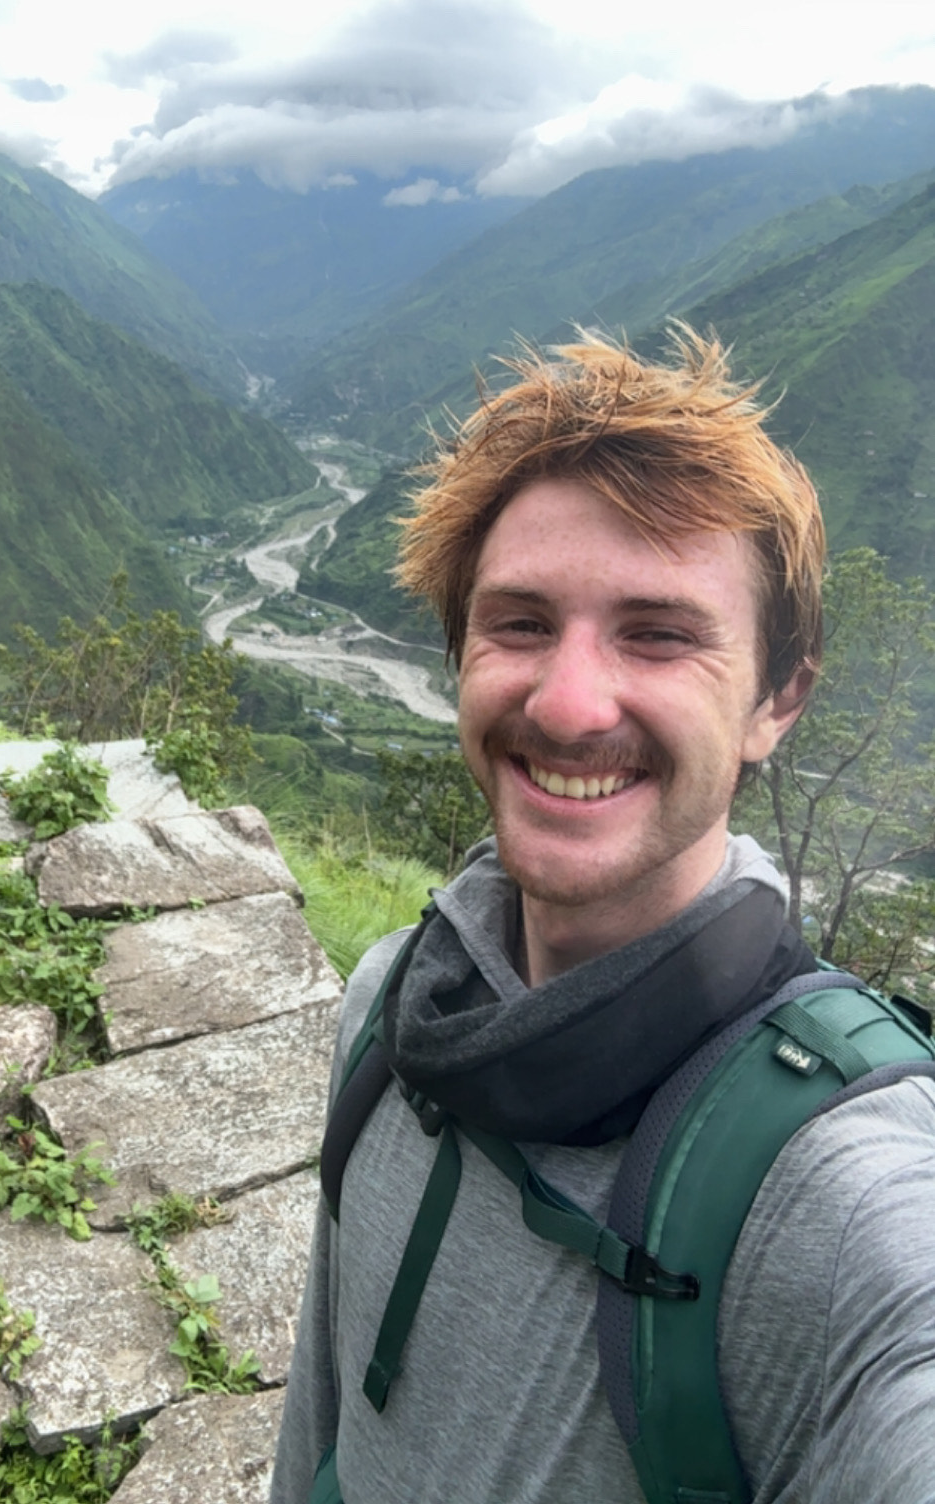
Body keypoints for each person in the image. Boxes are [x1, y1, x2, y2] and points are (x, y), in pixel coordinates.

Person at [270, 329, 935, 1503]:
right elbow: (319, 1415)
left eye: (660, 635)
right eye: (521, 624)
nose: (570, 705)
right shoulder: (392, 1003)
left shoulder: (840, 1202)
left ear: (776, 701)